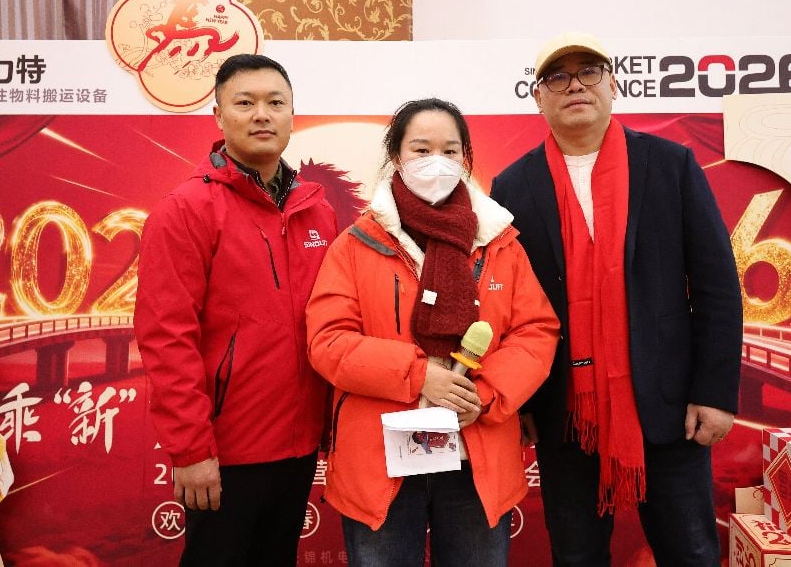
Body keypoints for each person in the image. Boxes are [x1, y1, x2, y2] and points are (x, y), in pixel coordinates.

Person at [490, 32, 743, 565]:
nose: (575, 85)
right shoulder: (513, 186)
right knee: (577, 557)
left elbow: (718, 285)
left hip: (672, 409)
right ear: (537, 97)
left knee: (692, 553)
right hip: (567, 412)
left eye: (590, 72)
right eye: (557, 77)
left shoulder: (671, 165)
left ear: (614, 84)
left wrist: (715, 391)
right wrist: (523, 401)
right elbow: (505, 305)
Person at [306, 98, 559, 566]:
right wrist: (421, 376)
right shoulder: (357, 245)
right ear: (396, 156)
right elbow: (329, 341)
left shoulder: (500, 241)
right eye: (421, 150)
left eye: (449, 150)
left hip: (476, 449)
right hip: (380, 454)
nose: (436, 162)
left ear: (466, 158)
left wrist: (482, 394)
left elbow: (536, 331)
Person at [133, 53, 337, 566]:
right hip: (224, 451)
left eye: (275, 102)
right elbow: (166, 337)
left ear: (293, 115)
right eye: (244, 103)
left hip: (299, 444)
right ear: (219, 116)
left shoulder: (318, 210)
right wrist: (191, 449)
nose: (261, 115)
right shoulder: (185, 210)